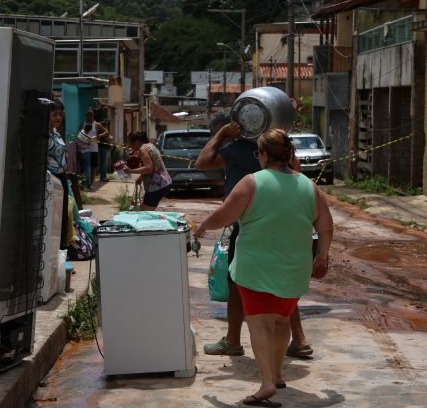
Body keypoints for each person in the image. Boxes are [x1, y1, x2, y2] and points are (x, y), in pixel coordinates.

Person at [195, 129, 333, 407]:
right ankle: (278, 373)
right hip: (294, 268)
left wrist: (202, 226)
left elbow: (224, 215)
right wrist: (322, 257)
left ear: (265, 155)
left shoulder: (251, 183)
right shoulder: (309, 186)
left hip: (255, 267)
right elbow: (326, 225)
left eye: (258, 153)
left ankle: (267, 383)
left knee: (258, 323)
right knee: (282, 320)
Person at [196, 112, 315, 360]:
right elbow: (299, 174)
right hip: (285, 223)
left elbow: (203, 162)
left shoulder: (237, 150)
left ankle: (233, 340)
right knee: (283, 282)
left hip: (250, 221)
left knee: (237, 281)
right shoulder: (280, 151)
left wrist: (221, 135)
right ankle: (300, 340)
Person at [123, 131, 172, 210]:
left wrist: (130, 171)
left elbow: (149, 168)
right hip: (165, 183)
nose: (130, 146)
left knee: (145, 213)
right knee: (146, 210)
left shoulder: (143, 149)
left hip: (156, 186)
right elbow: (152, 166)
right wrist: (141, 177)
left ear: (138, 141)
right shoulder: (151, 146)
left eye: (131, 143)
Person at [47, 99, 70, 249]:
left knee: (61, 216)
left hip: (62, 178)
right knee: (54, 217)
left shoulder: (55, 133)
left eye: (60, 114)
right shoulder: (45, 136)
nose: (58, 118)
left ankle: (61, 249)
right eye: (54, 114)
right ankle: (54, 249)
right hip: (52, 179)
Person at [84, 111, 108, 184]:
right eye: (87, 116)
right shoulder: (84, 124)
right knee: (86, 166)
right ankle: (87, 182)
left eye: (90, 116)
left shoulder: (97, 124)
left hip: (94, 149)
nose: (89, 117)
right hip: (85, 149)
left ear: (92, 116)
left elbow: (106, 132)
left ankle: (92, 182)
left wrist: (99, 136)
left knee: (93, 167)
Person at [76, 123, 95, 190]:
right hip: (85, 153)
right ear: (89, 130)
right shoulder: (87, 137)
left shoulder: (80, 132)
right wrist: (93, 138)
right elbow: (90, 142)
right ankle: (87, 185)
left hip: (79, 152)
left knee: (82, 169)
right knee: (87, 169)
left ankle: (82, 185)